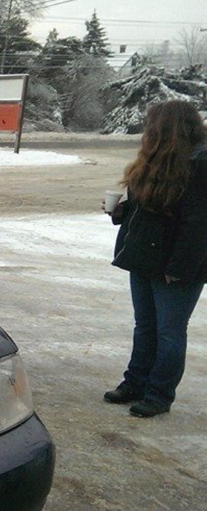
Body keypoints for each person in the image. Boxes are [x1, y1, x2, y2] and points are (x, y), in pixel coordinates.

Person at [103, 100, 207, 418]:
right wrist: (121, 212)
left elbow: (198, 224)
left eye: (153, 124)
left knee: (170, 331)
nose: (148, 130)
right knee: (145, 326)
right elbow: (148, 207)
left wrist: (179, 268)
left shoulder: (199, 162)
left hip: (177, 265)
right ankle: (135, 382)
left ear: (168, 127)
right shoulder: (156, 159)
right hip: (145, 256)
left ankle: (160, 394)